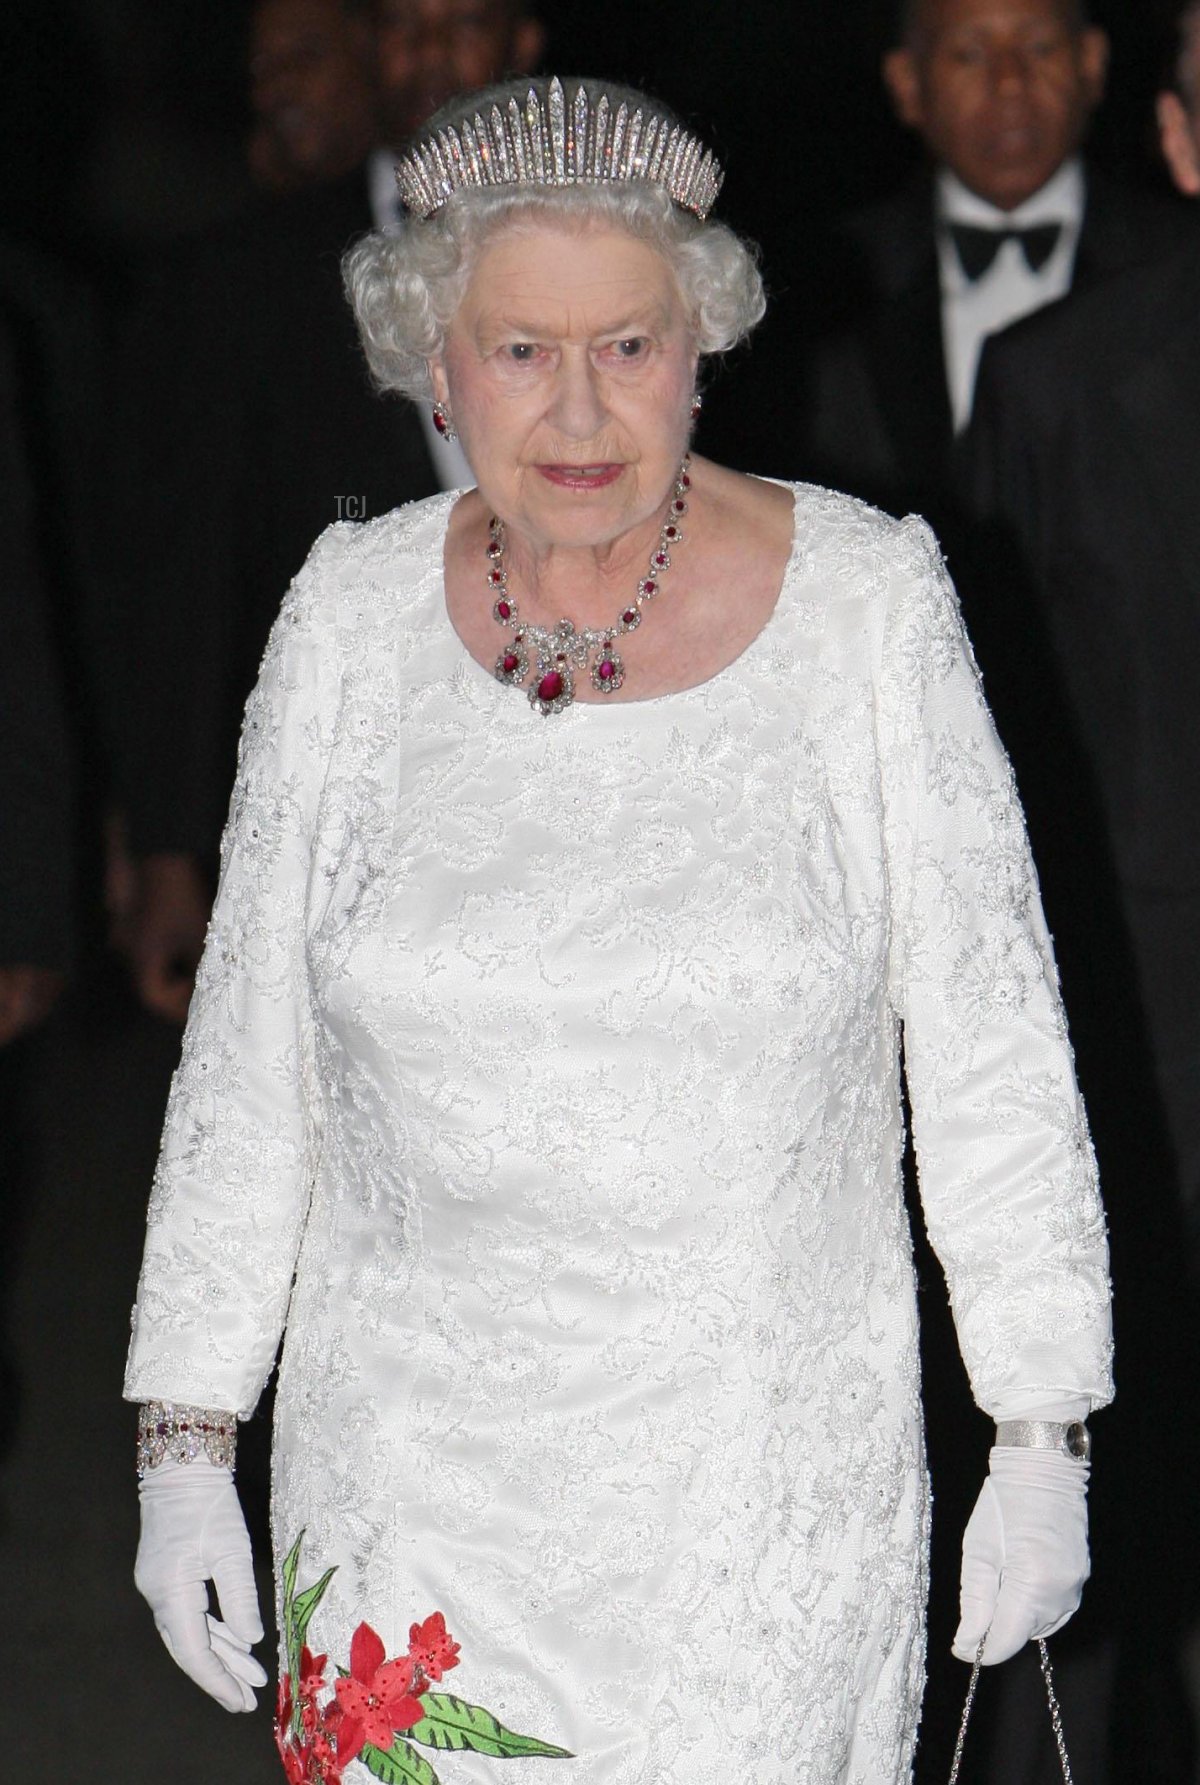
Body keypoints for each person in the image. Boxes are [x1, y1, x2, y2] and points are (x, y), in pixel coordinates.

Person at [123, 76, 1111, 1784]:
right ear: (434, 367)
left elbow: (994, 1045)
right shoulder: (348, 618)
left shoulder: (871, 606)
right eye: (520, 350)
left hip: (753, 1528)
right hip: (410, 1510)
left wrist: (1041, 1431)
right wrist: (185, 1441)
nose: (579, 409)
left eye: (629, 347)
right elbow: (245, 1072)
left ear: (699, 348)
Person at [106, 0, 543, 1027]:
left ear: (522, 45)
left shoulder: (610, 239)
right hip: (349, 818)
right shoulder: (254, 275)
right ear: (365, 46)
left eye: (464, 23)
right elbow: (192, 571)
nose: (431, 55)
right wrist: (169, 850)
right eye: (401, 25)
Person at [726, 0, 1187, 522]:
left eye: (1040, 47)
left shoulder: (1178, 262)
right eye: (969, 54)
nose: (1009, 81)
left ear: (1092, 61)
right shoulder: (822, 283)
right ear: (908, 84)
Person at [248, 0, 380, 193]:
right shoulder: (234, 202)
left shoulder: (409, 191)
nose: (283, 85)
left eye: (306, 55)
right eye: (263, 66)